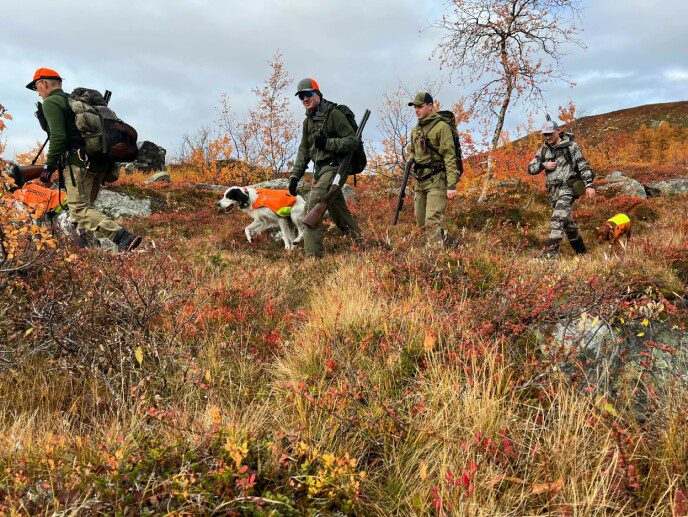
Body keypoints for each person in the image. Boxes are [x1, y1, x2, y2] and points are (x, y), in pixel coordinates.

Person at [26, 68, 142, 252]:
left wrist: (49, 166)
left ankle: (123, 237)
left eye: (36, 87)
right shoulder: (72, 102)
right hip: (99, 163)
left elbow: (58, 136)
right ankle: (88, 251)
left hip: (79, 162)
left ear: (44, 83)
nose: (37, 92)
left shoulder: (52, 102)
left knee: (78, 211)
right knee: (86, 210)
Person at [288, 78, 363, 258]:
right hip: (322, 171)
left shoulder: (333, 114)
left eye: (308, 94)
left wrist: (328, 143)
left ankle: (313, 260)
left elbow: (353, 141)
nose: (305, 99)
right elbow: (304, 150)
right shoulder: (308, 122)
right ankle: (363, 245)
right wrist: (294, 176)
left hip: (336, 168)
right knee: (339, 212)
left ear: (317, 93)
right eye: (301, 97)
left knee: (311, 207)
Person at [528, 119, 595, 258]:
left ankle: (549, 255)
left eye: (550, 134)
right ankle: (582, 253)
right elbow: (531, 168)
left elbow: (583, 165)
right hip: (553, 192)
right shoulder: (543, 150)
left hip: (568, 188)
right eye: (545, 134)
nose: (547, 137)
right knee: (567, 224)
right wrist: (543, 165)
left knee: (557, 218)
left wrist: (589, 185)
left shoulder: (571, 146)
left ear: (558, 131)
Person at [407, 92, 460, 244]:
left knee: (432, 221)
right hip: (420, 181)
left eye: (420, 107)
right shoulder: (415, 129)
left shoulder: (441, 127)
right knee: (420, 222)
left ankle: (435, 259)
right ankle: (447, 241)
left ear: (430, 106)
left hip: (437, 179)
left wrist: (451, 185)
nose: (417, 110)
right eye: (415, 107)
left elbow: (449, 157)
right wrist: (411, 158)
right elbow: (413, 151)